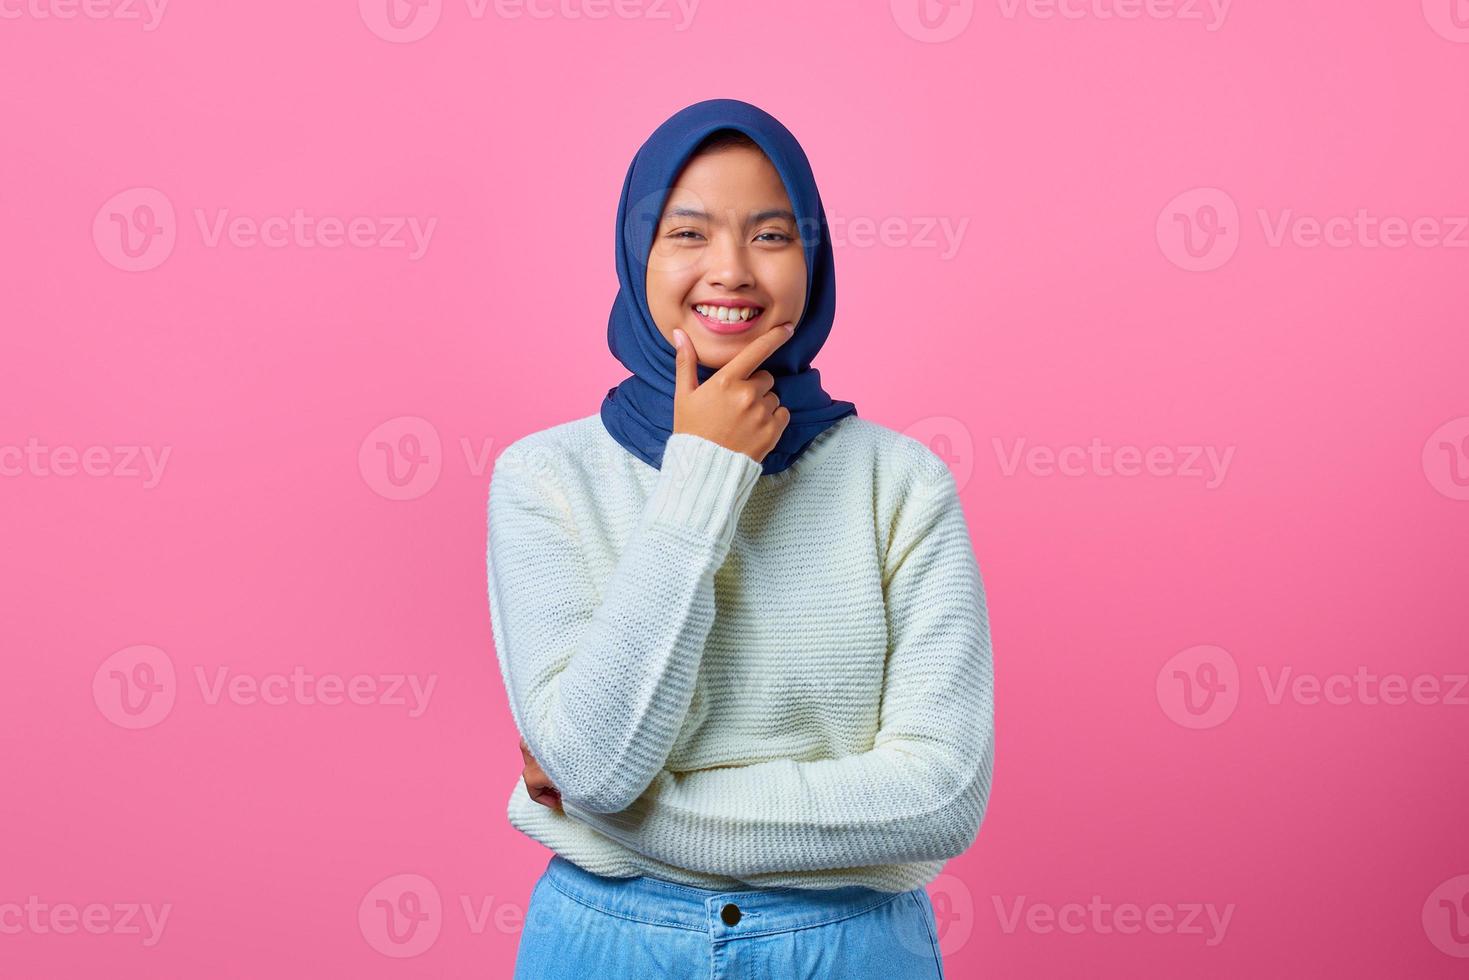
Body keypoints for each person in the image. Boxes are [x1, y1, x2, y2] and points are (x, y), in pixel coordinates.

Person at [486, 97, 994, 979]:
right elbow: (598, 764)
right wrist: (702, 475)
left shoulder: (899, 482)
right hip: (607, 945)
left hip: (853, 948)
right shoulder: (544, 478)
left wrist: (624, 815)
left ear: (814, 258)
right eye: (688, 234)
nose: (730, 270)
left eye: (768, 235)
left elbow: (937, 797)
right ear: (635, 256)